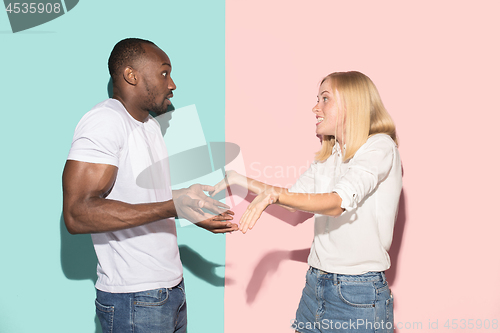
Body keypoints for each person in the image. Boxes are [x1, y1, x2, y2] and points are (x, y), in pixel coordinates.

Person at [62, 38, 237, 333]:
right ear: (132, 76)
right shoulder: (105, 121)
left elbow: (139, 194)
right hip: (133, 298)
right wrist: (173, 207)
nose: (173, 84)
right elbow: (77, 213)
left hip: (169, 290)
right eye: (164, 73)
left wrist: (185, 201)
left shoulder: (150, 125)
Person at [212, 71, 402, 333]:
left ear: (352, 104)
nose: (315, 108)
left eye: (325, 99)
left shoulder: (379, 147)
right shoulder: (330, 156)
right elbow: (293, 201)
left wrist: (274, 195)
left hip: (358, 295)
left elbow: (337, 203)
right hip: (316, 285)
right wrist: (241, 179)